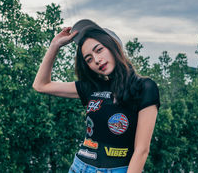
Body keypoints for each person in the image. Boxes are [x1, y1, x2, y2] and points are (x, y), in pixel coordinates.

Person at [33, 19, 160, 173]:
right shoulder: (91, 88)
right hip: (79, 167)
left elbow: (141, 151)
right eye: (89, 59)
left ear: (113, 46)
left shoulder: (144, 87)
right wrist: (55, 45)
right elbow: (41, 85)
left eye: (99, 50)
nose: (97, 60)